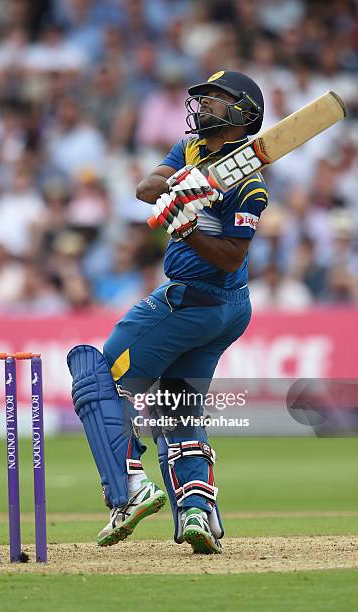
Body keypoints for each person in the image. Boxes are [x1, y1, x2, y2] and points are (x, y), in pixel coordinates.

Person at [68, 70, 267, 554]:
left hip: (197, 299)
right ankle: (198, 510)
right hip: (224, 310)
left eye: (216, 101)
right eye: (202, 100)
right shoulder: (194, 152)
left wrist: (187, 226)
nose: (202, 108)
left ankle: (129, 486)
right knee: (176, 406)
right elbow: (144, 187)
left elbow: (231, 257)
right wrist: (181, 185)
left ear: (242, 115)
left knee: (99, 376)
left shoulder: (251, 188)